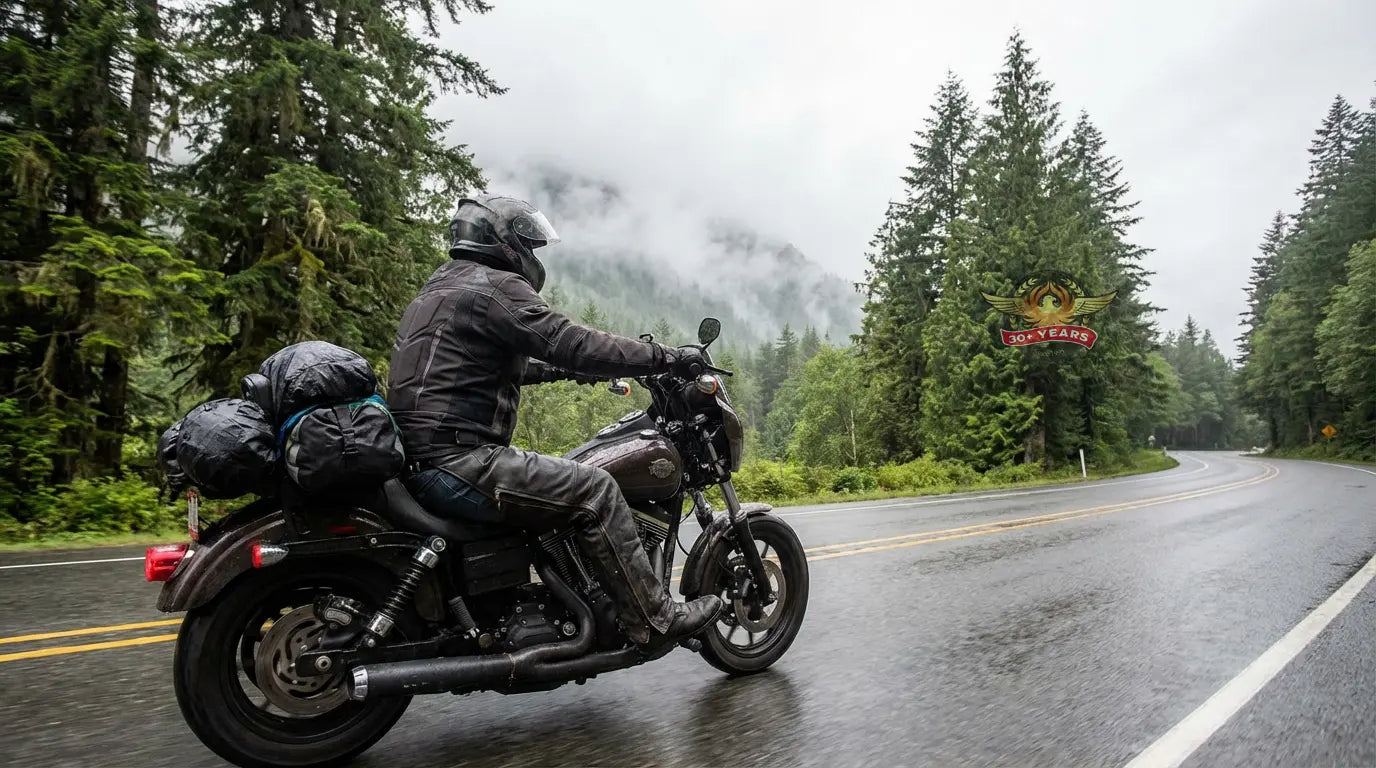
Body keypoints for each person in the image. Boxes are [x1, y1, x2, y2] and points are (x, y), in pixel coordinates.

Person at [387, 193, 723, 649]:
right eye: (528, 244)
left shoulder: (441, 288)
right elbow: (570, 341)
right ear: (504, 241)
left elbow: (502, 366)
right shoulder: (494, 287)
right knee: (596, 488)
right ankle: (654, 619)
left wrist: (569, 371)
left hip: (426, 461)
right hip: (461, 462)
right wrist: (664, 357)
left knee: (563, 479)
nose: (531, 255)